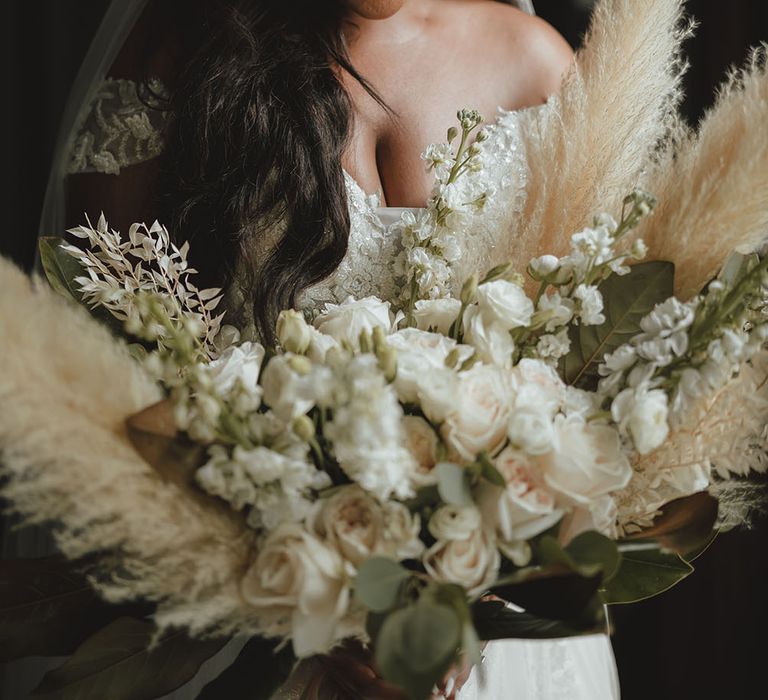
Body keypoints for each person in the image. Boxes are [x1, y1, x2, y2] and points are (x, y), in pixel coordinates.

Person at [13, 1, 621, 698]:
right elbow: (114, 382)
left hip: (500, 632)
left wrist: (467, 587)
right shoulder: (176, 61)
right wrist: (324, 609)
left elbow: (581, 372)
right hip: (272, 621)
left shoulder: (536, 65)